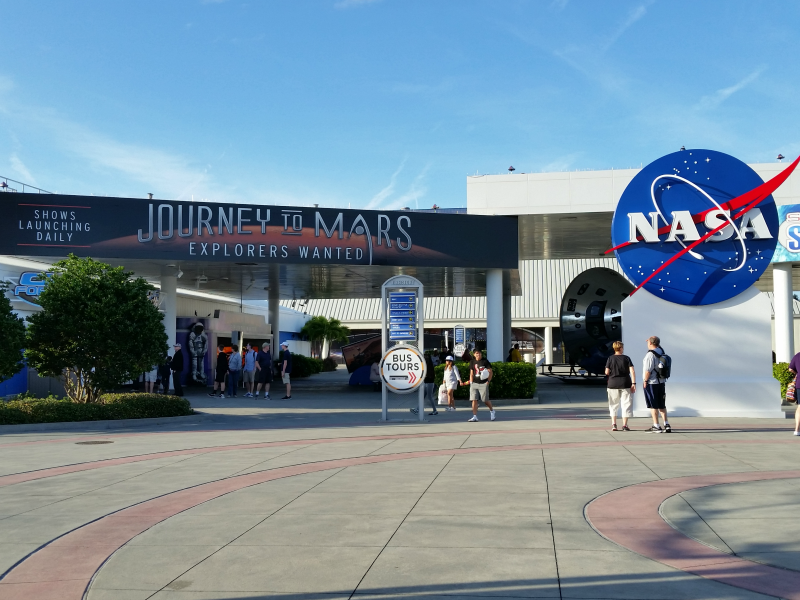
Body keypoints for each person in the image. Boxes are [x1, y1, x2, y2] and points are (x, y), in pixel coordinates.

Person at [605, 341, 635, 431]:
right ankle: (625, 425)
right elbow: (632, 371)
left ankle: (614, 424)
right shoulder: (626, 358)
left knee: (613, 405)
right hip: (625, 383)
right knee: (626, 404)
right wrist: (634, 383)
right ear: (621, 348)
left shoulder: (610, 358)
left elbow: (606, 372)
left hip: (612, 384)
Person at [643, 336, 670, 433]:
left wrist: (645, 381)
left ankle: (656, 425)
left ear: (650, 343)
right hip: (661, 382)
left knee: (653, 405)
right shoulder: (661, 351)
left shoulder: (650, 355)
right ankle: (666, 424)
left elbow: (648, 371)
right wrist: (654, 340)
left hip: (652, 383)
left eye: (648, 342)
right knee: (662, 404)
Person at [467, 349, 496, 422]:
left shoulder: (485, 361)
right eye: (477, 353)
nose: (478, 355)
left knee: (485, 400)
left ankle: (492, 411)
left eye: (479, 353)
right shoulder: (472, 362)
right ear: (474, 354)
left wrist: (488, 382)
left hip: (483, 383)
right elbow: (471, 373)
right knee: (474, 400)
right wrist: (471, 382)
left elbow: (490, 372)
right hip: (474, 383)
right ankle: (474, 416)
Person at [789, 351, 800, 436]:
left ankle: (797, 429)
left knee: (799, 406)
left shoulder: (797, 356)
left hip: (799, 384)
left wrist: (797, 373)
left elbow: (790, 369)